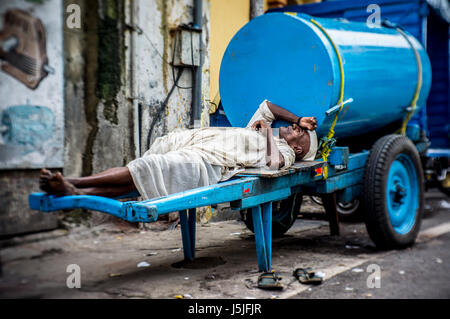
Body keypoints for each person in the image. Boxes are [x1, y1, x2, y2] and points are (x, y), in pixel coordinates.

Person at [39, 100, 317, 200]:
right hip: (193, 142)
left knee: (144, 170)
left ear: (298, 149)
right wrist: (297, 119)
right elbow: (268, 106)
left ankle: (75, 182)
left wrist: (267, 132)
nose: (297, 130)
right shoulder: (262, 128)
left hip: (205, 162)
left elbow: (272, 165)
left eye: (301, 134)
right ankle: (76, 193)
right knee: (141, 176)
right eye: (299, 128)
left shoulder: (285, 151)